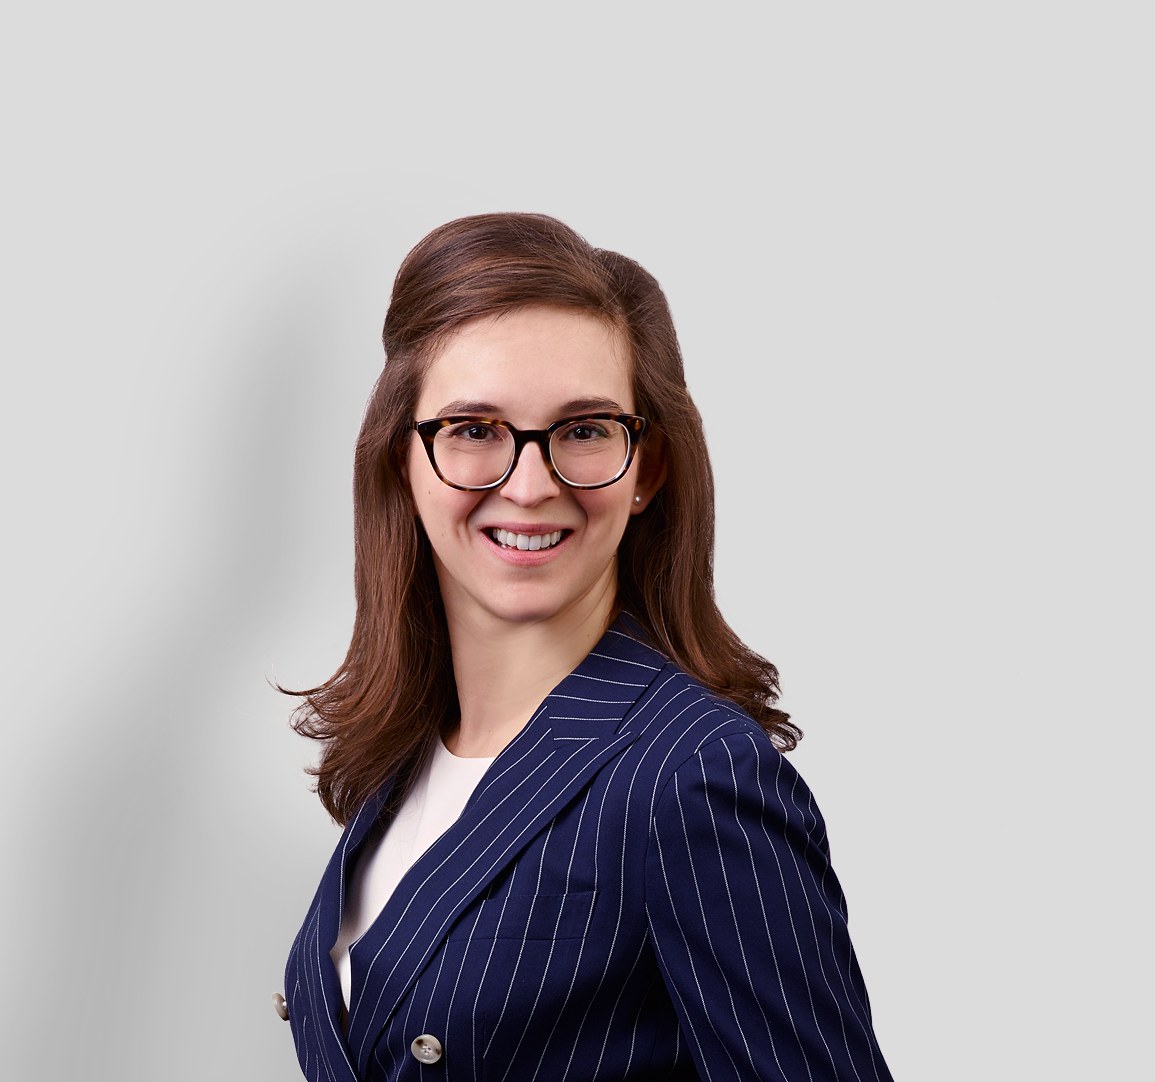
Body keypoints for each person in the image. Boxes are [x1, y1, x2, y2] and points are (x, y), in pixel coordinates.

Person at [278, 212, 894, 1081]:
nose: (530, 486)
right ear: (401, 462)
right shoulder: (405, 756)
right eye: (473, 429)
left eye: (584, 430)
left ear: (647, 469)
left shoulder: (691, 776)